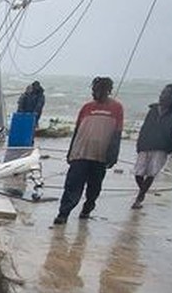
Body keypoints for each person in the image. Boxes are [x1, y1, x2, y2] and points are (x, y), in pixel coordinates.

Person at [53, 76, 124, 225]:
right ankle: (63, 213)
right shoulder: (86, 107)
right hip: (80, 153)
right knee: (72, 185)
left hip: (100, 156)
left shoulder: (117, 108)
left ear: (108, 90)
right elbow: (77, 130)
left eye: (98, 90)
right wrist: (70, 152)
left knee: (94, 187)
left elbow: (117, 133)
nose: (95, 92)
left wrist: (113, 155)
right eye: (94, 89)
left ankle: (87, 208)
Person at [131, 83, 172, 208]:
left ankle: (139, 197)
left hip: (162, 146)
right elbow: (145, 127)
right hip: (146, 144)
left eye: (166, 93)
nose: (162, 96)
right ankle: (143, 191)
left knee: (151, 173)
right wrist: (139, 144)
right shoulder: (153, 109)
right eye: (162, 93)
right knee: (138, 172)